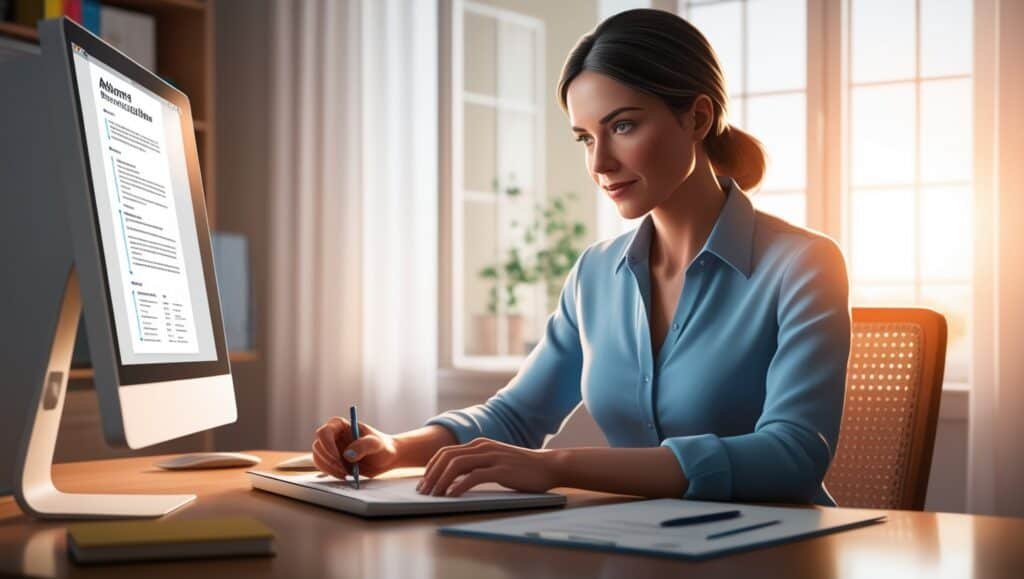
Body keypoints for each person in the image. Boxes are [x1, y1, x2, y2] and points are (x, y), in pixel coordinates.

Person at [312, 8, 850, 505]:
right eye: (585, 138)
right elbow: (516, 416)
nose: (600, 163)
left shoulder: (803, 264)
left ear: (698, 117)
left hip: (779, 549)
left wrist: (557, 466)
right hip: (644, 544)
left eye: (622, 126)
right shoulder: (596, 274)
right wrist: (393, 448)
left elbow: (792, 456)